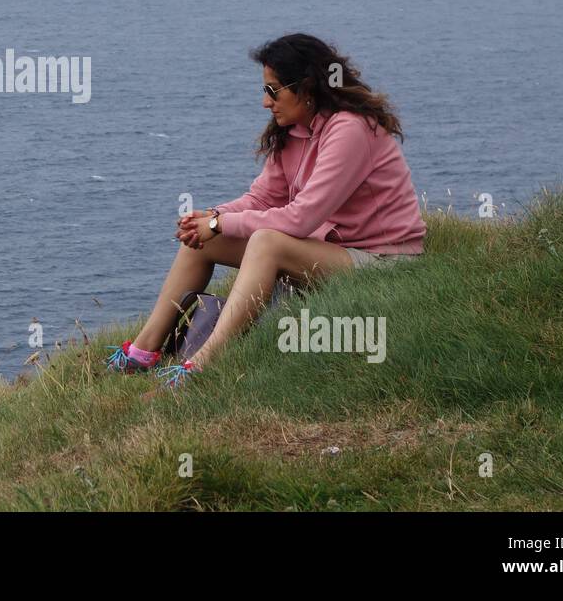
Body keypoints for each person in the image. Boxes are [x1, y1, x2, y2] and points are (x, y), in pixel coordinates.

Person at [106, 33, 427, 388]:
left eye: (273, 91)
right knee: (204, 240)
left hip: (383, 262)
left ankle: (203, 366)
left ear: (306, 88)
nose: (264, 102)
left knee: (266, 243)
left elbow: (301, 217)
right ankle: (142, 352)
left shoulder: (349, 130)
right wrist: (210, 218)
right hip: (331, 251)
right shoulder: (294, 131)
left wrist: (220, 222)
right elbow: (261, 198)